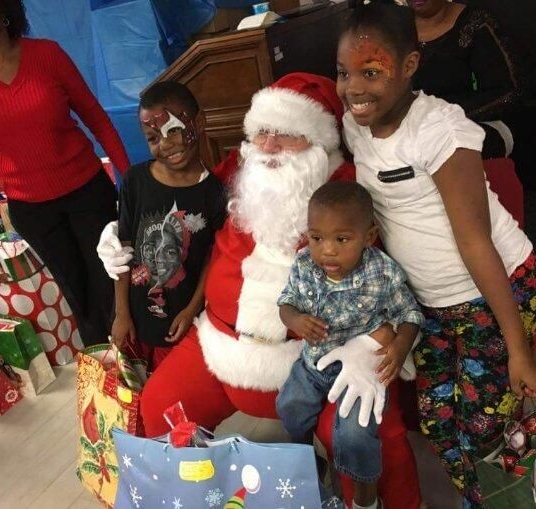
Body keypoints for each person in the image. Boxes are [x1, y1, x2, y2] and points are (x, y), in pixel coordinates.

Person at [98, 73, 423, 508]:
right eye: (262, 132)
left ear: (319, 144)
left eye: (287, 135)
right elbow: (179, 200)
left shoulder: (348, 196)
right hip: (218, 344)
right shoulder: (238, 176)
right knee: (159, 404)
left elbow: (387, 284)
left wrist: (372, 342)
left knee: (368, 436)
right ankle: (182, 498)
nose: (268, 146)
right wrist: (120, 235)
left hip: (316, 358)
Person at [336, 3, 536, 507]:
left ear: (409, 66)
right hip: (431, 306)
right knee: (437, 423)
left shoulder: (442, 131)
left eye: (371, 71)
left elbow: (476, 242)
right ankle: (485, 498)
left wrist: (518, 348)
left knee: (486, 427)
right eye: (344, 73)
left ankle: (514, 496)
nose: (355, 89)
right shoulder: (354, 125)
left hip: (494, 293)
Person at [0, 0, 130, 345]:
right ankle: (108, 380)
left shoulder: (47, 55)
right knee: (78, 297)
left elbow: (95, 117)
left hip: (87, 191)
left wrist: (131, 181)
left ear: (2, 7)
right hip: (33, 210)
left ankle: (137, 361)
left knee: (112, 284)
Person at [276, 181, 424, 509]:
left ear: (368, 237)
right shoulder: (304, 265)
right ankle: (304, 457)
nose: (327, 250)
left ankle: (364, 501)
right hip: (316, 363)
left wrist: (399, 348)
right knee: (289, 405)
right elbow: (285, 303)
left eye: (342, 239)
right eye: (317, 238)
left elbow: (410, 313)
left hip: (362, 368)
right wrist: (295, 320)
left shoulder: (382, 271)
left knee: (354, 436)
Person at [109, 82, 226, 369]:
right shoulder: (136, 181)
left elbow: (214, 256)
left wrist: (192, 309)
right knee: (135, 395)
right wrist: (121, 313)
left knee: (176, 400)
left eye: (173, 129)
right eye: (152, 137)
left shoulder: (215, 192)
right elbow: (123, 248)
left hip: (181, 322)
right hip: (135, 318)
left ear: (198, 123)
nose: (165, 143)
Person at [409, 0, 521, 158]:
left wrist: (442, 116)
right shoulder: (395, 28)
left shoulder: (475, 23)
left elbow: (507, 92)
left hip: (479, 125)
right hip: (412, 128)